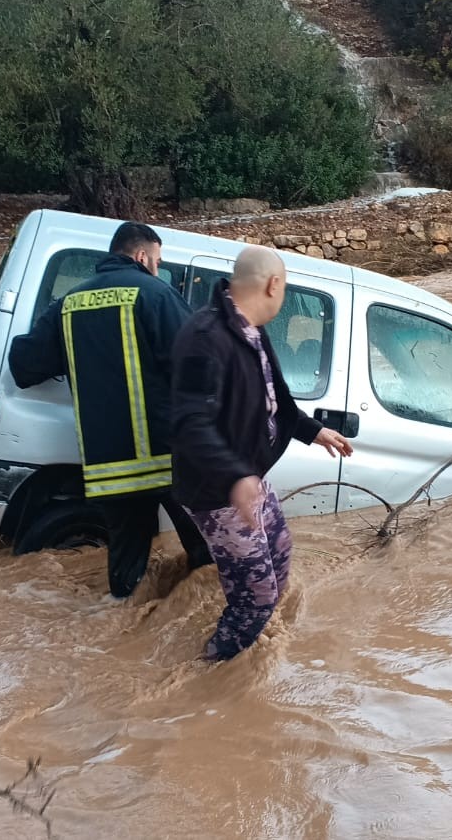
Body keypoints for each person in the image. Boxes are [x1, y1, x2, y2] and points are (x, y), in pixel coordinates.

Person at [9, 221, 213, 597]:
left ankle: (121, 624)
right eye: (157, 260)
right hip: (168, 458)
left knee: (125, 576)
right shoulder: (157, 295)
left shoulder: (69, 305)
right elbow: (202, 364)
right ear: (141, 255)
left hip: (110, 467)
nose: (156, 267)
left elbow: (24, 366)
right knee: (210, 556)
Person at [169, 246, 354, 660]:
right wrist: (236, 478)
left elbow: (277, 400)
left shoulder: (252, 331)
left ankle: (252, 646)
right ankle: (205, 677)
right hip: (218, 490)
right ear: (274, 284)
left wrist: (314, 430)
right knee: (256, 598)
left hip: (249, 478)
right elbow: (188, 422)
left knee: (280, 555)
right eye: (284, 288)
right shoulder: (205, 338)